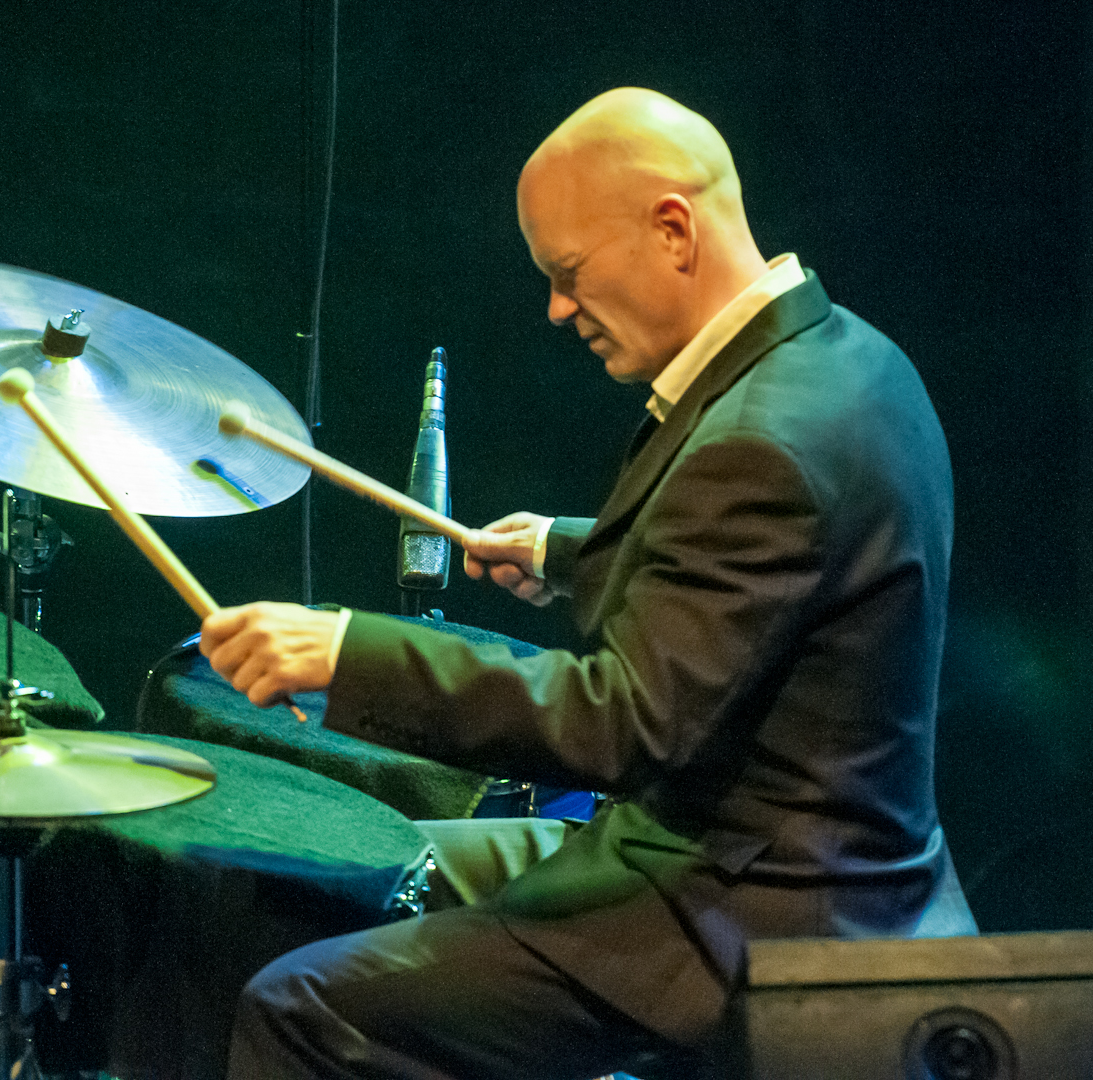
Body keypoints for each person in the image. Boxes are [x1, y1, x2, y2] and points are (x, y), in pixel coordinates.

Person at [200, 87, 976, 1079]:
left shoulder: (761, 442)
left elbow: (619, 727)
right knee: (328, 870)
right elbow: (779, 582)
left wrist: (346, 653)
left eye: (568, 275)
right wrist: (568, 551)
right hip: (783, 864)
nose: (558, 310)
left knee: (298, 1006)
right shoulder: (850, 361)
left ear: (671, 228)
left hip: (740, 911)